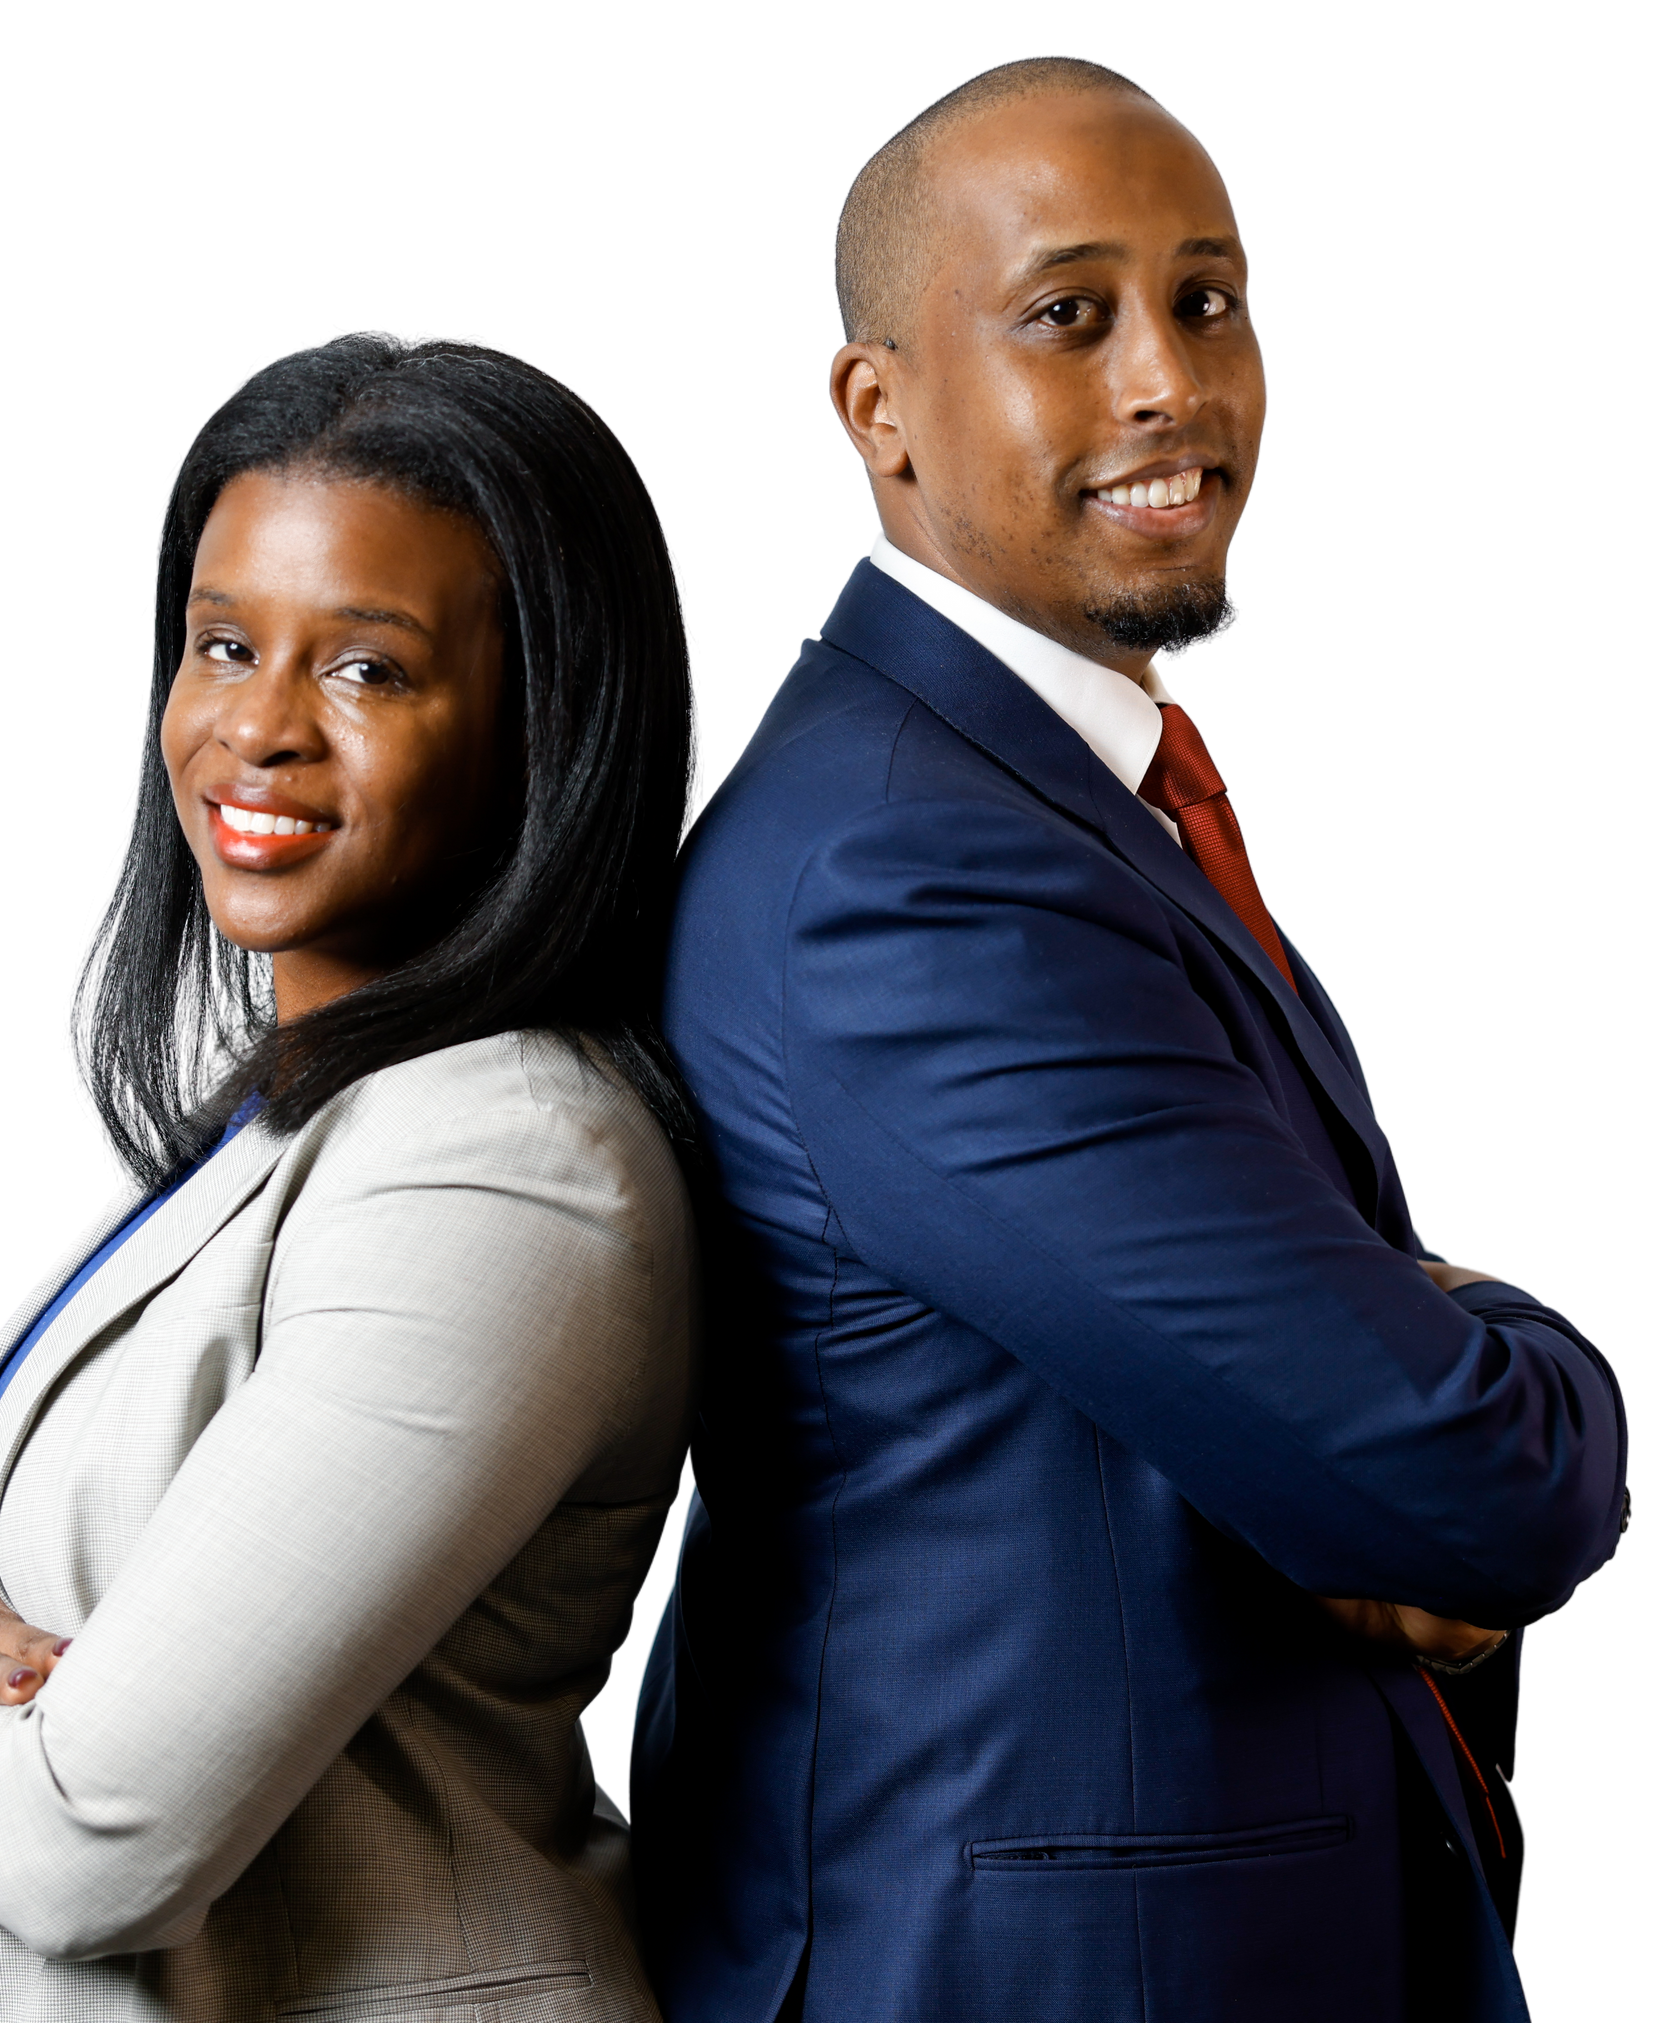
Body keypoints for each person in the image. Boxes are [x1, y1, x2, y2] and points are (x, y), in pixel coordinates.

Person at [627, 54, 1628, 2023]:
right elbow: (1474, 1483)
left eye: (1211, 299)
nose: (1171, 380)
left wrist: (1385, 1371)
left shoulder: (1064, 789)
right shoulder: (905, 871)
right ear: (878, 408)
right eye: (1068, 315)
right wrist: (1531, 1350)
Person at [0, 326, 702, 2022]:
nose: (259, 728)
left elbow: (90, 1845)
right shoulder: (274, 1108)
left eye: (368, 668)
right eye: (224, 645)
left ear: (541, 728)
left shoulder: (503, 1167)